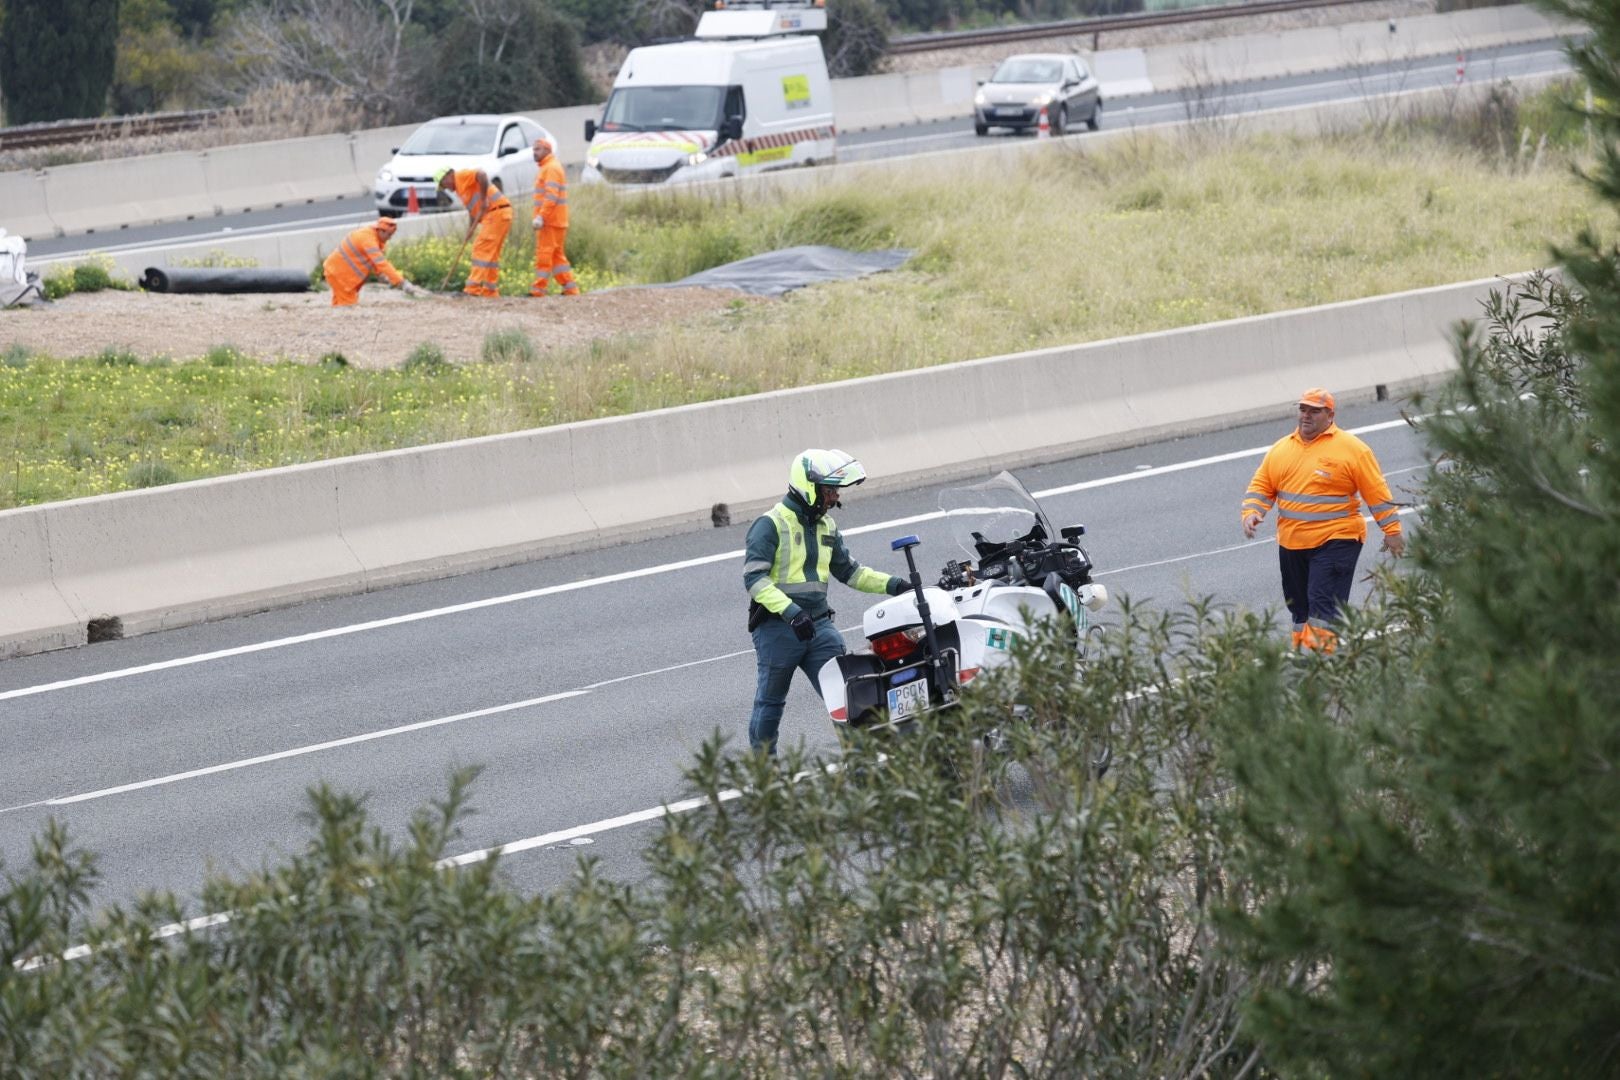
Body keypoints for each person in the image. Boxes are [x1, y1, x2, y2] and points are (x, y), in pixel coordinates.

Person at [744, 449, 908, 755]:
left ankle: (861, 767)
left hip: (819, 627)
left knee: (850, 695)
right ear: (809, 487)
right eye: (829, 490)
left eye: (835, 490)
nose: (834, 497)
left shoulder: (827, 527)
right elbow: (755, 580)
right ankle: (763, 774)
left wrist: (896, 585)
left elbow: (851, 572)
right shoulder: (770, 524)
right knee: (770, 702)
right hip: (778, 630)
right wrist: (792, 613)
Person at [1241, 388, 1406, 652]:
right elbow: (1262, 485)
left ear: (1330, 415)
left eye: (1314, 411)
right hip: (1292, 542)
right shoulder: (1282, 449)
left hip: (1337, 539)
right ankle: (1305, 660)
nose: (1306, 416)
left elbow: (1377, 493)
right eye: (1303, 409)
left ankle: (1325, 664)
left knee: (1322, 605)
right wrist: (1252, 512)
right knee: (1300, 610)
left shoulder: (1352, 450)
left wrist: (1392, 530)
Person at [435, 165, 511, 297]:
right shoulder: (460, 189)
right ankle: (490, 291)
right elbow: (473, 211)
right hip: (498, 214)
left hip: (496, 212)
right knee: (491, 255)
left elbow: (481, 174)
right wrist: (470, 229)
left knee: (480, 248)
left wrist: (483, 199)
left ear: (448, 175)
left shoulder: (461, 176)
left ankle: (472, 289)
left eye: (444, 184)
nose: (447, 188)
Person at [322, 217, 426, 306]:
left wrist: (384, 276)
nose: (389, 238)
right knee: (347, 307)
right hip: (341, 276)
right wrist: (402, 282)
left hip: (339, 273)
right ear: (381, 231)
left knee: (339, 306)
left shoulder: (374, 238)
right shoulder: (368, 239)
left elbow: (376, 264)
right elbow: (381, 263)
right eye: (389, 235)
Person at [529, 138, 579, 298]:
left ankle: (538, 290)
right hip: (556, 220)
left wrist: (541, 217)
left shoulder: (550, 168)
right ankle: (571, 289)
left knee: (544, 255)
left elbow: (551, 196)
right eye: (534, 149)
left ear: (546, 151)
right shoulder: (549, 167)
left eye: (537, 149)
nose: (534, 152)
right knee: (557, 257)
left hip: (550, 221)